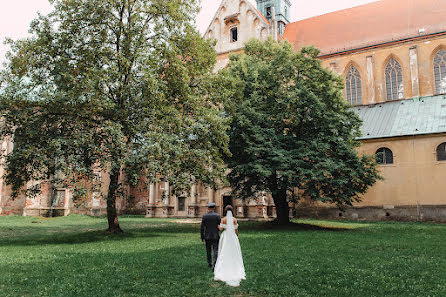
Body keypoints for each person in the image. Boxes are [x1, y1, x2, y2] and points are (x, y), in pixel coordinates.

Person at [214, 205, 246, 287]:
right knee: (234, 252)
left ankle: (223, 269)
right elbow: (236, 230)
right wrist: (236, 237)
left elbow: (220, 229)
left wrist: (217, 225)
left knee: (224, 251)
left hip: (225, 236)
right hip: (232, 236)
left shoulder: (223, 219)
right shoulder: (234, 219)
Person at [200, 202, 221, 269]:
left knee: (208, 250)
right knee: (215, 250)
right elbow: (220, 225)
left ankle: (209, 263)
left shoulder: (204, 216)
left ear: (208, 208)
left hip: (207, 236)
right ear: (214, 208)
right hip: (215, 235)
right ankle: (215, 264)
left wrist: (202, 237)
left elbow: (202, 227)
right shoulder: (217, 215)